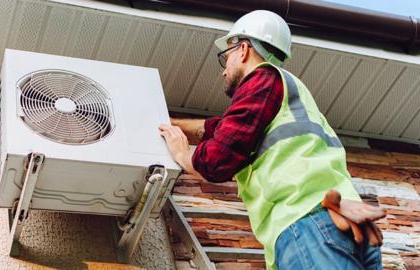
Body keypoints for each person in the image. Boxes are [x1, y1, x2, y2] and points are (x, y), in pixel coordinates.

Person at [159, 10, 386, 270]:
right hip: (346, 221)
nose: (224, 72)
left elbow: (216, 160)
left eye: (226, 58)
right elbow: (220, 129)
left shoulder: (262, 79)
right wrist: (170, 123)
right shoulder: (290, 95)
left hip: (305, 221)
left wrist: (181, 154)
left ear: (243, 49)